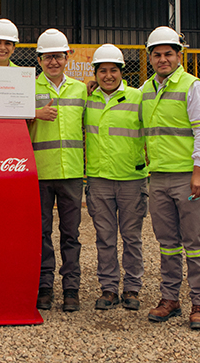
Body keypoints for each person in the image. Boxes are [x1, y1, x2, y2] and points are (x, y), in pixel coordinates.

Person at [141, 26, 200, 330]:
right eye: (157, 54)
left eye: (168, 53)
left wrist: (199, 172)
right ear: (150, 58)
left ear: (179, 55)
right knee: (167, 244)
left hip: (187, 178)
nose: (163, 59)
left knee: (195, 243)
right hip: (159, 178)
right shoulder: (146, 89)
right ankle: (170, 299)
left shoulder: (193, 86)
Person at [84, 44, 148, 311]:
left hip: (131, 179)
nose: (108, 76)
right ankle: (109, 288)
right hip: (99, 179)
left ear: (122, 72)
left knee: (132, 237)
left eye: (113, 70)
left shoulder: (138, 98)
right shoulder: (87, 99)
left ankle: (132, 287)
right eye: (102, 71)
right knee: (105, 237)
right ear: (95, 74)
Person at [29, 29, 87, 312]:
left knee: (70, 234)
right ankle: (44, 286)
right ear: (39, 59)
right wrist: (34, 113)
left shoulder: (81, 89)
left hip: (72, 173)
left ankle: (71, 288)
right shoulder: (28, 88)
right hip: (39, 173)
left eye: (58, 56)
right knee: (41, 234)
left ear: (67, 57)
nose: (53, 61)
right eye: (48, 57)